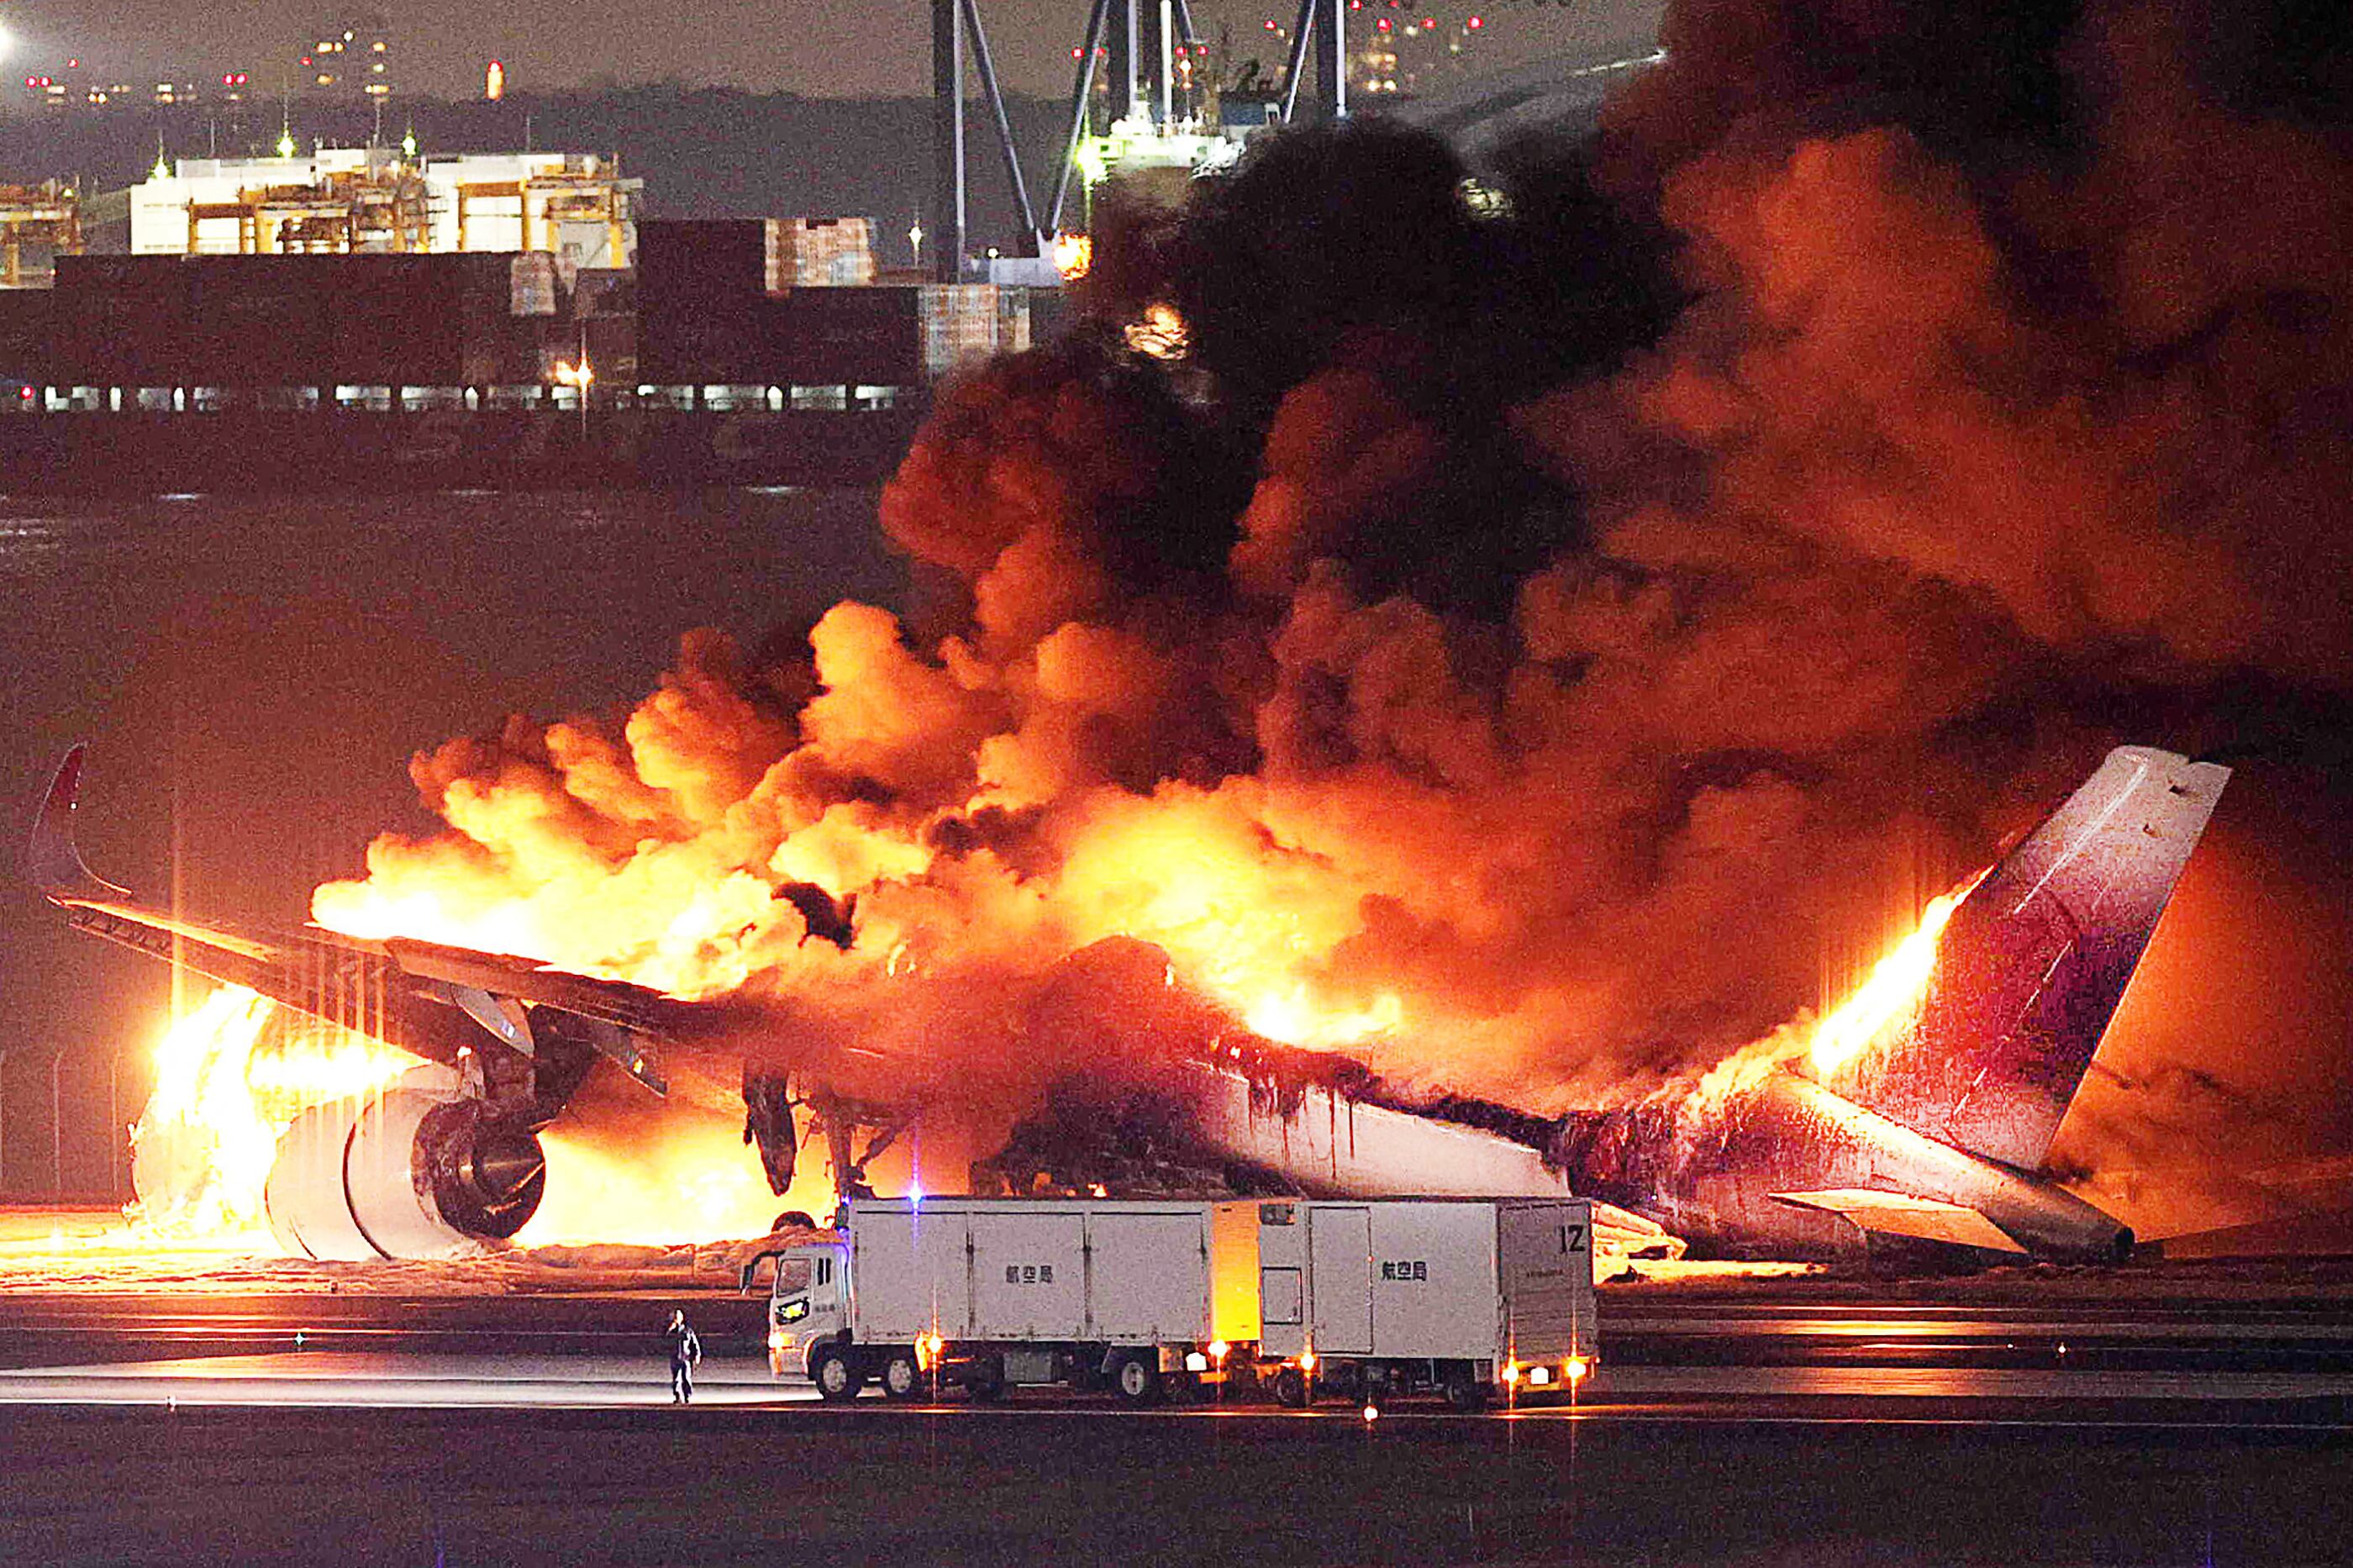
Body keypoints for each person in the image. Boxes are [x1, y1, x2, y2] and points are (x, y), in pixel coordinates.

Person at [666, 1309, 703, 1404]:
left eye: (677, 1318)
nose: (675, 1319)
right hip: (675, 1358)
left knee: (686, 1378)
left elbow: (695, 1344)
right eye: (674, 1318)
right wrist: (669, 1330)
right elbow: (663, 1341)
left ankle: (687, 1396)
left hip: (686, 1358)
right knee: (676, 1379)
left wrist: (697, 1355)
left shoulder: (687, 1331)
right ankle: (677, 1396)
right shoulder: (670, 1331)